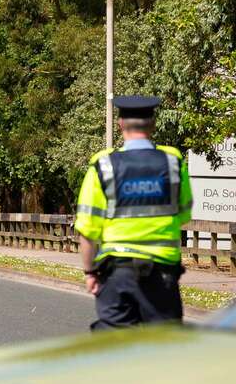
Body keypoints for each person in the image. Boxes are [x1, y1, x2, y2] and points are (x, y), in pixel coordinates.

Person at [75, 95, 193, 330]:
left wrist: (90, 273)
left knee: (113, 348)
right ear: (153, 124)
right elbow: (184, 213)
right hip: (162, 275)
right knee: (165, 349)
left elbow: (87, 229)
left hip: (118, 273)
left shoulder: (103, 165)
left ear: (120, 125)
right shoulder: (173, 162)